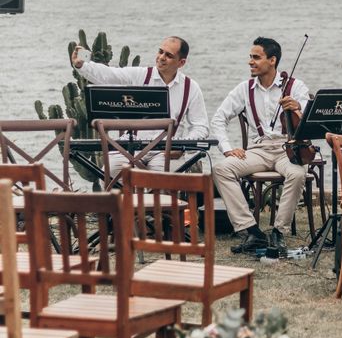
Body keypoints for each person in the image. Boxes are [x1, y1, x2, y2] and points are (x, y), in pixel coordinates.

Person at [212, 37, 309, 255]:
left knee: (296, 173)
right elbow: (219, 118)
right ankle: (250, 231)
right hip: (259, 150)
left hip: (288, 148)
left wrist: (298, 107)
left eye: (256, 57)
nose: (250, 62)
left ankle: (278, 232)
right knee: (221, 169)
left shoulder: (296, 86)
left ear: (272, 60)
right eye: (250, 57)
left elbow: (311, 119)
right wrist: (227, 148)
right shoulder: (244, 89)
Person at [71, 36, 209, 173]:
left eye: (169, 55)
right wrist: (82, 65)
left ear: (181, 62)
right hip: (131, 147)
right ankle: (118, 196)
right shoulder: (141, 75)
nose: (161, 57)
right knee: (110, 172)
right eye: (160, 51)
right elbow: (110, 75)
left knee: (161, 181)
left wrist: (181, 145)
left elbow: (200, 126)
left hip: (165, 152)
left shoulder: (190, 87)